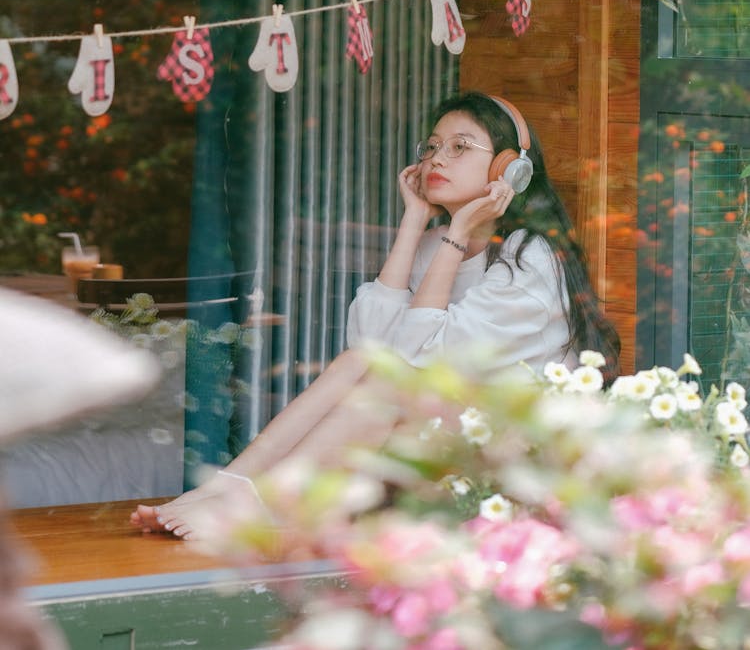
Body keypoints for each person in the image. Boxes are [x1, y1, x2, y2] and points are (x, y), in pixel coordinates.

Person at [131, 90, 620, 539]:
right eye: (432, 147)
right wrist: (414, 220)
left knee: (387, 390)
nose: (436, 159)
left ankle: (263, 506)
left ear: (509, 170)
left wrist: (453, 235)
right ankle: (230, 486)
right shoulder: (437, 243)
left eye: (459, 147)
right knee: (360, 366)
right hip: (449, 423)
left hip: (516, 447)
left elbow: (424, 358)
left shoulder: (528, 258)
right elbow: (369, 345)